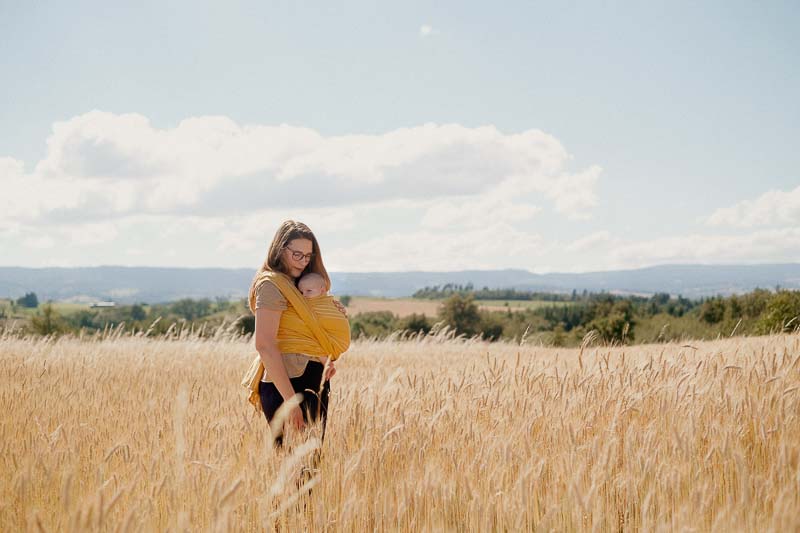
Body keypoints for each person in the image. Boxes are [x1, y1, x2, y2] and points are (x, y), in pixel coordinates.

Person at [247, 220, 347, 450]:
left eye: (308, 256)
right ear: (280, 249)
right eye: (297, 254)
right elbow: (264, 344)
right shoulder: (271, 285)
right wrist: (291, 403)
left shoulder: (300, 284)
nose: (303, 262)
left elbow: (307, 330)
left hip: (314, 379)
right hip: (288, 384)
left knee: (309, 471)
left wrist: (332, 311)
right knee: (294, 470)